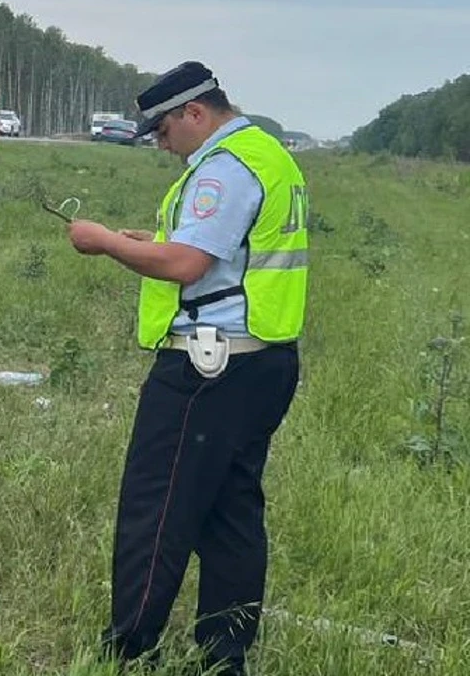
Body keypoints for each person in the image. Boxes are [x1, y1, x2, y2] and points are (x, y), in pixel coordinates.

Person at [64, 61, 308, 676]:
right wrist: (151, 237)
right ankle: (225, 654)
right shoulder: (268, 154)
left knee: (157, 509)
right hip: (264, 359)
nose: (161, 145)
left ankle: (128, 648)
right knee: (232, 513)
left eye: (163, 132)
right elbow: (231, 250)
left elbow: (187, 266)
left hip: (208, 368)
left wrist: (107, 243)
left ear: (194, 113)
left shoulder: (223, 169)